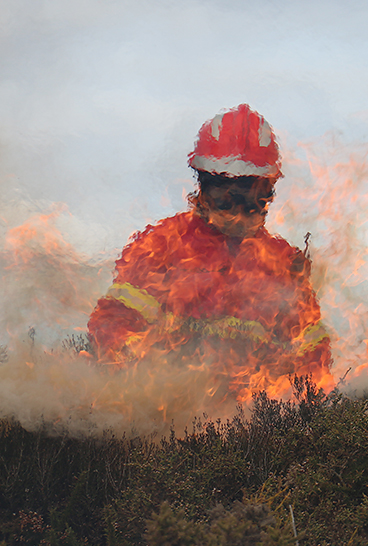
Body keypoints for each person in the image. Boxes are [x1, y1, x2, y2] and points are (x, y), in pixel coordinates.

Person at [88, 104, 331, 397]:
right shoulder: (161, 247)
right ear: (203, 186)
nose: (239, 213)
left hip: (254, 426)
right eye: (226, 198)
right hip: (163, 419)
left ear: (269, 192)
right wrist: (153, 385)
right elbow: (114, 327)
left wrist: (283, 407)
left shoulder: (283, 265)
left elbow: (311, 357)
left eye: (252, 199)